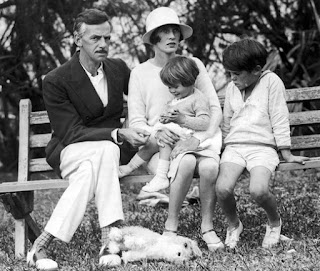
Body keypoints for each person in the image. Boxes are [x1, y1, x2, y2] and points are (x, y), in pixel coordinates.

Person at [26, 9, 150, 270]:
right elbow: (70, 131)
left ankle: (41, 244)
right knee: (104, 150)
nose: (103, 44)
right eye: (95, 38)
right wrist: (117, 134)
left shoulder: (117, 68)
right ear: (77, 39)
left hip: (107, 154)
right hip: (70, 150)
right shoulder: (56, 80)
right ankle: (110, 238)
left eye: (107, 38)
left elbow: (143, 95)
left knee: (94, 166)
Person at [126, 7, 224, 251]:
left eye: (175, 32)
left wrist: (199, 140)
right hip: (162, 147)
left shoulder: (194, 65)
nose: (172, 36)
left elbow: (213, 108)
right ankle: (171, 226)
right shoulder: (140, 73)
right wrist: (156, 133)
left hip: (198, 138)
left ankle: (207, 227)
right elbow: (136, 121)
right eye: (165, 32)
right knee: (187, 162)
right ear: (154, 38)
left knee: (210, 166)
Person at [216, 38, 309, 249]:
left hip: (262, 147)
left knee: (258, 190)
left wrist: (286, 152)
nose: (232, 78)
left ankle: (274, 223)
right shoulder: (233, 88)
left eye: (237, 74)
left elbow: (279, 116)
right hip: (235, 147)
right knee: (222, 188)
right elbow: (227, 121)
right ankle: (234, 225)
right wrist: (220, 149)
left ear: (257, 70)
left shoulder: (271, 82)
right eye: (229, 73)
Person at [119, 55, 212, 193]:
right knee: (153, 142)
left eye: (175, 87)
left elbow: (204, 123)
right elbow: (166, 116)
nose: (172, 91)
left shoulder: (198, 99)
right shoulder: (178, 97)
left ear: (189, 81)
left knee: (162, 142)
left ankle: (160, 176)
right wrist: (164, 119)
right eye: (169, 88)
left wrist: (182, 119)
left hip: (185, 138)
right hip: (172, 132)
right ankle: (130, 167)